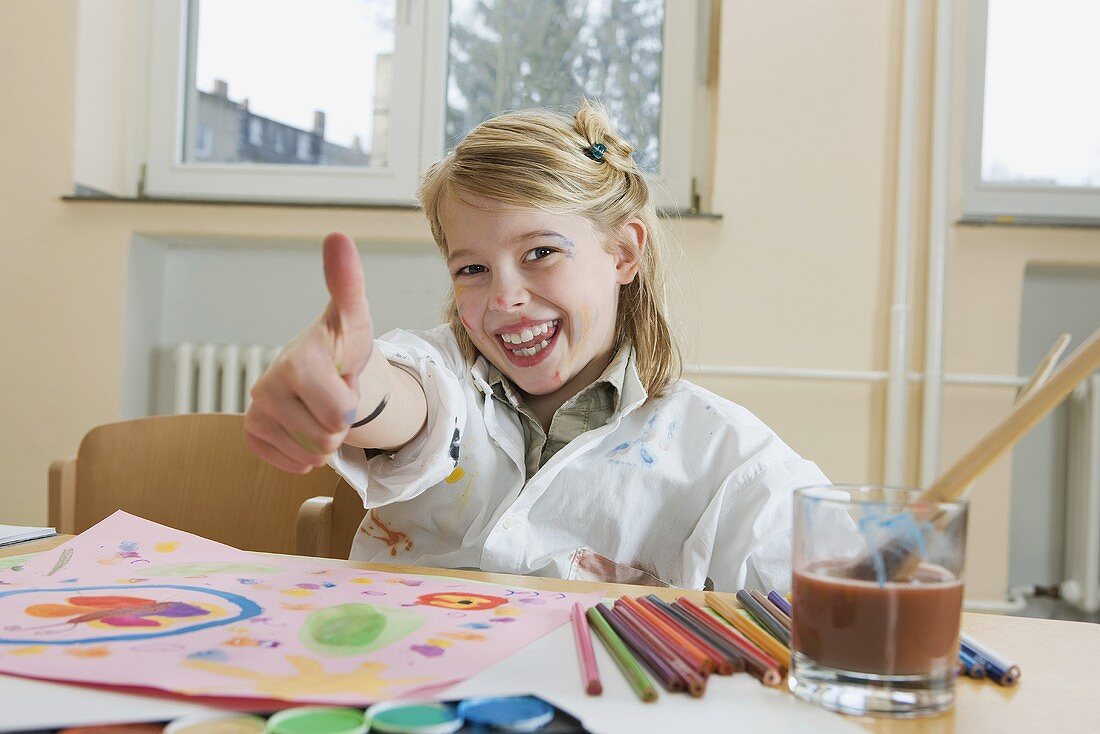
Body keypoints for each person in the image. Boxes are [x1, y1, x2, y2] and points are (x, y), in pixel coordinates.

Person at [244, 100, 828, 592]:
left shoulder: (723, 454)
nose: (504, 297)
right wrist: (353, 387)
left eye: (540, 253)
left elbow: (833, 578)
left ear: (624, 252)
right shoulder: (442, 376)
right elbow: (403, 401)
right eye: (471, 268)